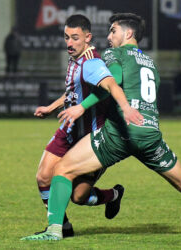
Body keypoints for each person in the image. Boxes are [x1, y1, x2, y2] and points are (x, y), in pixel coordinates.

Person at [21, 13, 181, 241]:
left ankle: (55, 231)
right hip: (150, 135)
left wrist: (84, 107)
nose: (109, 36)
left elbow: (113, 81)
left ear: (128, 33)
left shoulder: (113, 54)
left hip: (119, 134)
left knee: (62, 170)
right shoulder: (150, 63)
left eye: (113, 31)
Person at [31, 14, 143, 238]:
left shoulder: (93, 61)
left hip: (92, 134)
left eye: (74, 38)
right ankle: (62, 226)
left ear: (88, 37)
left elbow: (110, 84)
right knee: (43, 177)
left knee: (79, 197)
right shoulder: (75, 59)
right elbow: (72, 91)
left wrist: (126, 109)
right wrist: (51, 106)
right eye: (66, 38)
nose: (69, 43)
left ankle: (112, 195)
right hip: (70, 130)